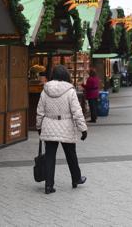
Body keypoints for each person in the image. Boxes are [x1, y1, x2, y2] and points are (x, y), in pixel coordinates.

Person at [36, 65, 88, 194]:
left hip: (49, 125)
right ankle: (76, 178)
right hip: (66, 125)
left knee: (49, 156)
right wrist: (83, 129)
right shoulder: (70, 91)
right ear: (65, 75)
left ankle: (49, 185)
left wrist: (39, 127)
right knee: (71, 154)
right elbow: (77, 111)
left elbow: (40, 111)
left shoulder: (45, 90)